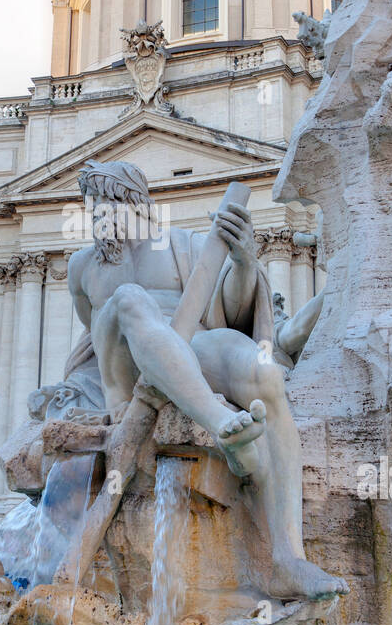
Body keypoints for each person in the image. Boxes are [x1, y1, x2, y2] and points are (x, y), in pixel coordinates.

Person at [66, 158, 346, 599]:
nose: (98, 213)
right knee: (128, 299)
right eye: (93, 204)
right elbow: (94, 338)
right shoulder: (82, 267)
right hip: (128, 367)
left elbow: (231, 313)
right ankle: (221, 424)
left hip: (190, 346)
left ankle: (287, 559)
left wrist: (241, 261)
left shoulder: (184, 244)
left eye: (108, 202)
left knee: (265, 375)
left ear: (135, 204)